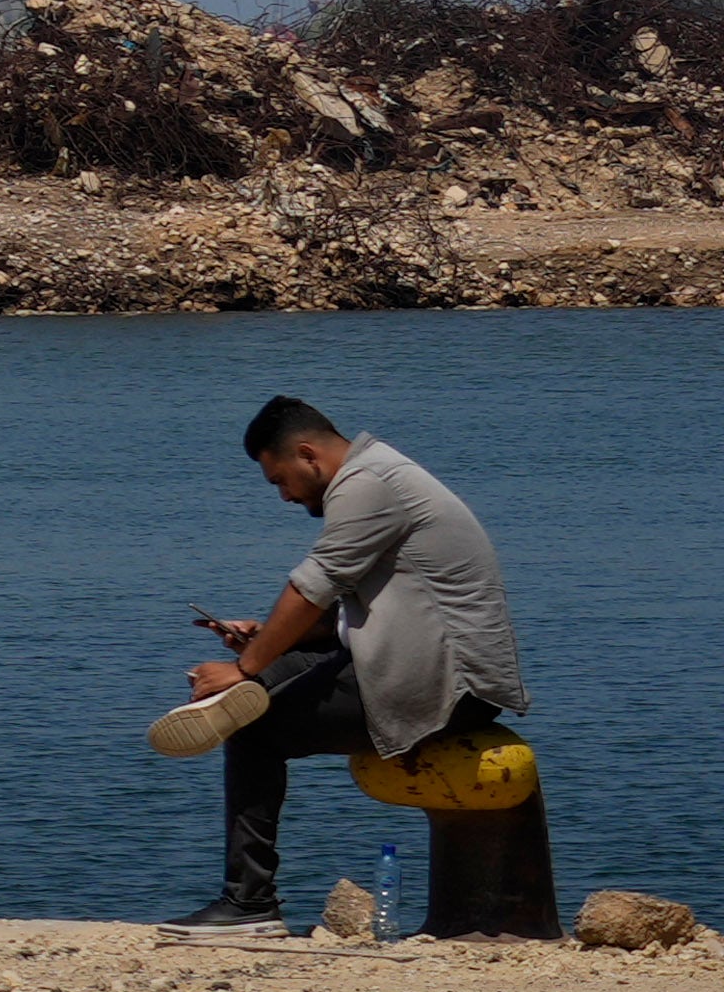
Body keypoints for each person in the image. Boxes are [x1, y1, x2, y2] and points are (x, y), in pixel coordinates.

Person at [179, 392, 532, 927]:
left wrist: (245, 666)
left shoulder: (368, 486)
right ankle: (232, 699)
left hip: (454, 686)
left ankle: (249, 902)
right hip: (419, 661)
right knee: (260, 684)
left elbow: (313, 585)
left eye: (280, 481)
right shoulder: (378, 471)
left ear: (308, 455)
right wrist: (259, 645)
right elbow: (357, 610)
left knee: (252, 722)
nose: (284, 496)